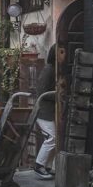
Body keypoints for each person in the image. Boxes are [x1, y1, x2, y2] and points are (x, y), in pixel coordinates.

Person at [34, 45, 57, 179]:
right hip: (43, 111)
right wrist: (58, 94)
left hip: (47, 111)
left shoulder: (53, 69)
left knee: (53, 138)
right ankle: (39, 166)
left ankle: (47, 166)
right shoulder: (49, 70)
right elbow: (42, 92)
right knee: (51, 138)